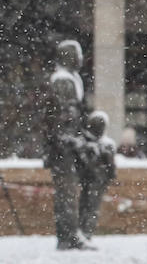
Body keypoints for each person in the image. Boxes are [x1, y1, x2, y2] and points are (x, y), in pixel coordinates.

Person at [43, 39, 93, 251]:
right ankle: (68, 235)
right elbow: (65, 117)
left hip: (69, 146)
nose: (81, 58)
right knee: (67, 193)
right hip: (64, 148)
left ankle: (72, 233)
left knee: (70, 192)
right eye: (77, 54)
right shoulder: (63, 80)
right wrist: (73, 141)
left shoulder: (72, 78)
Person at [79, 110, 117, 243]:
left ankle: (86, 233)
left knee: (91, 208)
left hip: (96, 181)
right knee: (85, 207)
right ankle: (82, 233)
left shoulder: (106, 145)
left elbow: (111, 166)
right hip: (86, 181)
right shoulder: (84, 143)